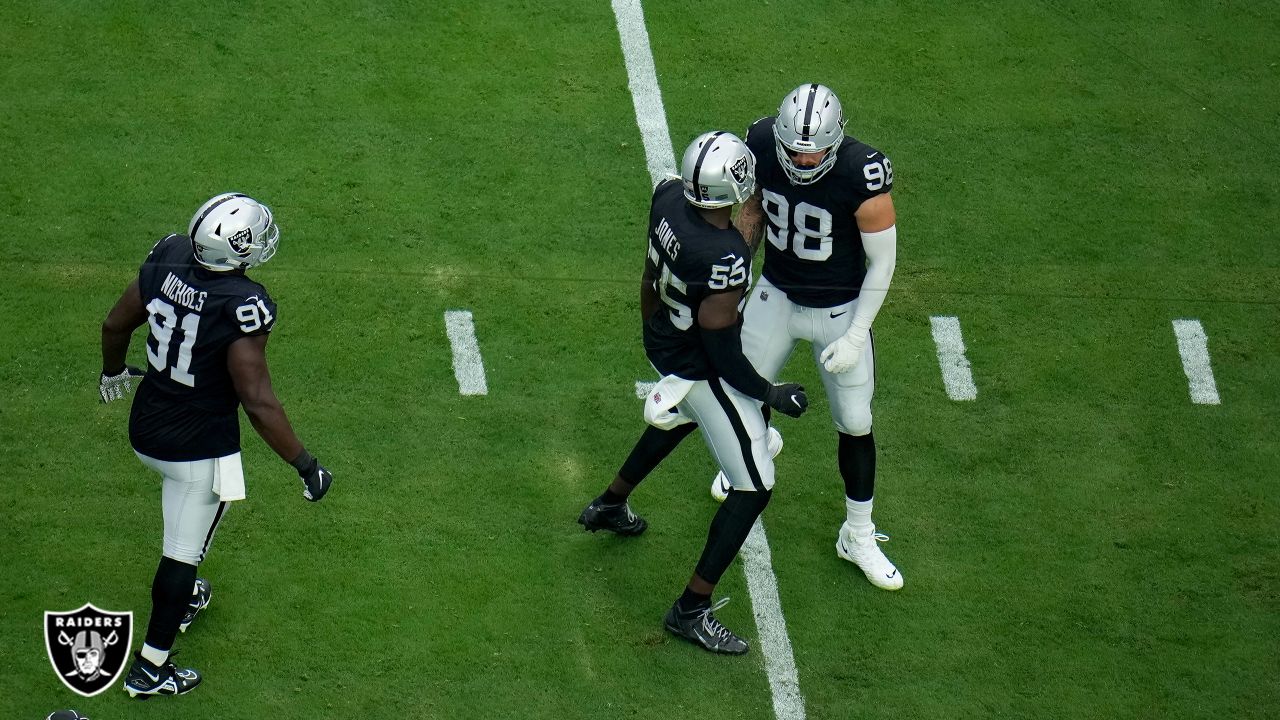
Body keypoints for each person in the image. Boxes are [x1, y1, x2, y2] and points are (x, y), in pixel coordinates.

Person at [578, 132, 808, 655]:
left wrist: (655, 339)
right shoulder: (724, 257)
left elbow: (646, 276)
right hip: (697, 363)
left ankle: (610, 504)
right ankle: (691, 608)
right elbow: (724, 356)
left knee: (681, 416)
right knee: (753, 487)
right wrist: (770, 394)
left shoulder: (665, 198)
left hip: (662, 337)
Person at [99, 192, 334, 698]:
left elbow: (115, 323)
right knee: (181, 555)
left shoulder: (169, 254)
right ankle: (150, 670)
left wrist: (112, 371)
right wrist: (305, 464)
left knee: (207, 515)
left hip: (147, 423)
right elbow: (257, 401)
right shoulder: (242, 304)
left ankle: (180, 601)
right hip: (195, 445)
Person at [706, 83, 903, 590]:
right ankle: (759, 444)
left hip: (839, 308)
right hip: (776, 292)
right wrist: (739, 269)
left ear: (836, 140)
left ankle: (857, 533)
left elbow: (883, 262)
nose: (799, 156)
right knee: (742, 386)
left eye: (810, 148)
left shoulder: (862, 173)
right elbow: (751, 212)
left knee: (856, 420)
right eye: (791, 146)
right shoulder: (761, 143)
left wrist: (858, 333)